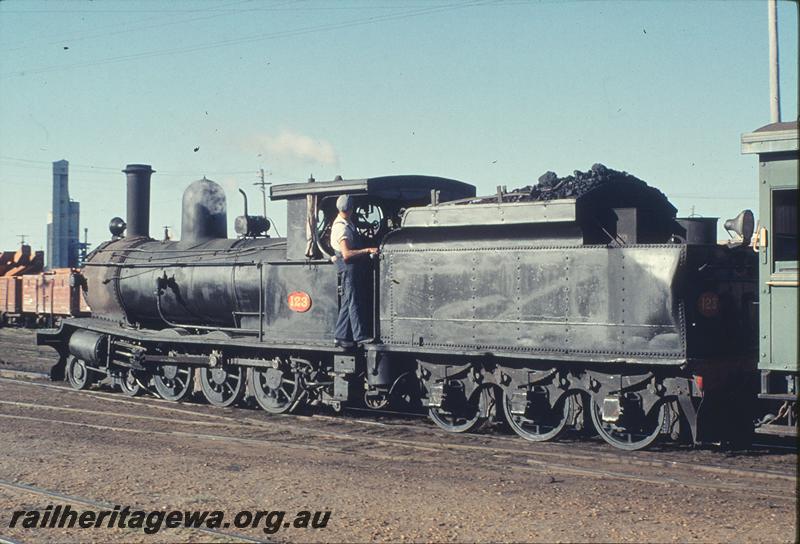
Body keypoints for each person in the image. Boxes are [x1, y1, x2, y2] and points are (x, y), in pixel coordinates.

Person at [331, 194, 379, 348]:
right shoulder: (341, 227)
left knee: (347, 301)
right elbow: (346, 254)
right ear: (351, 209)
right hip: (348, 266)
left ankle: (340, 336)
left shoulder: (347, 223)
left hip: (351, 267)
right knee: (353, 301)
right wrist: (367, 250)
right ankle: (359, 336)